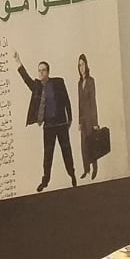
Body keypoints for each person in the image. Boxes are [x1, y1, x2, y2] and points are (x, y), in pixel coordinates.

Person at [14, 50, 76, 191]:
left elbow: (67, 100)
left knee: (66, 150)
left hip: (61, 123)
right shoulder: (37, 87)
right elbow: (26, 79)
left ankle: (72, 174)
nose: (41, 73)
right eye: (39, 70)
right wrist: (18, 62)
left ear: (48, 71)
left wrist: (70, 119)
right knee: (48, 154)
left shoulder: (58, 82)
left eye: (43, 70)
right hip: (48, 126)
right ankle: (45, 181)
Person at [77, 52, 100, 180]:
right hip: (83, 120)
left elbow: (93, 102)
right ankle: (86, 169)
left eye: (83, 64)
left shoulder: (91, 81)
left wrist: (95, 123)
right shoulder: (79, 83)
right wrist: (80, 121)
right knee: (84, 145)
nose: (81, 67)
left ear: (86, 65)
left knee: (92, 144)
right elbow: (79, 103)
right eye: (79, 65)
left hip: (91, 119)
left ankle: (95, 168)